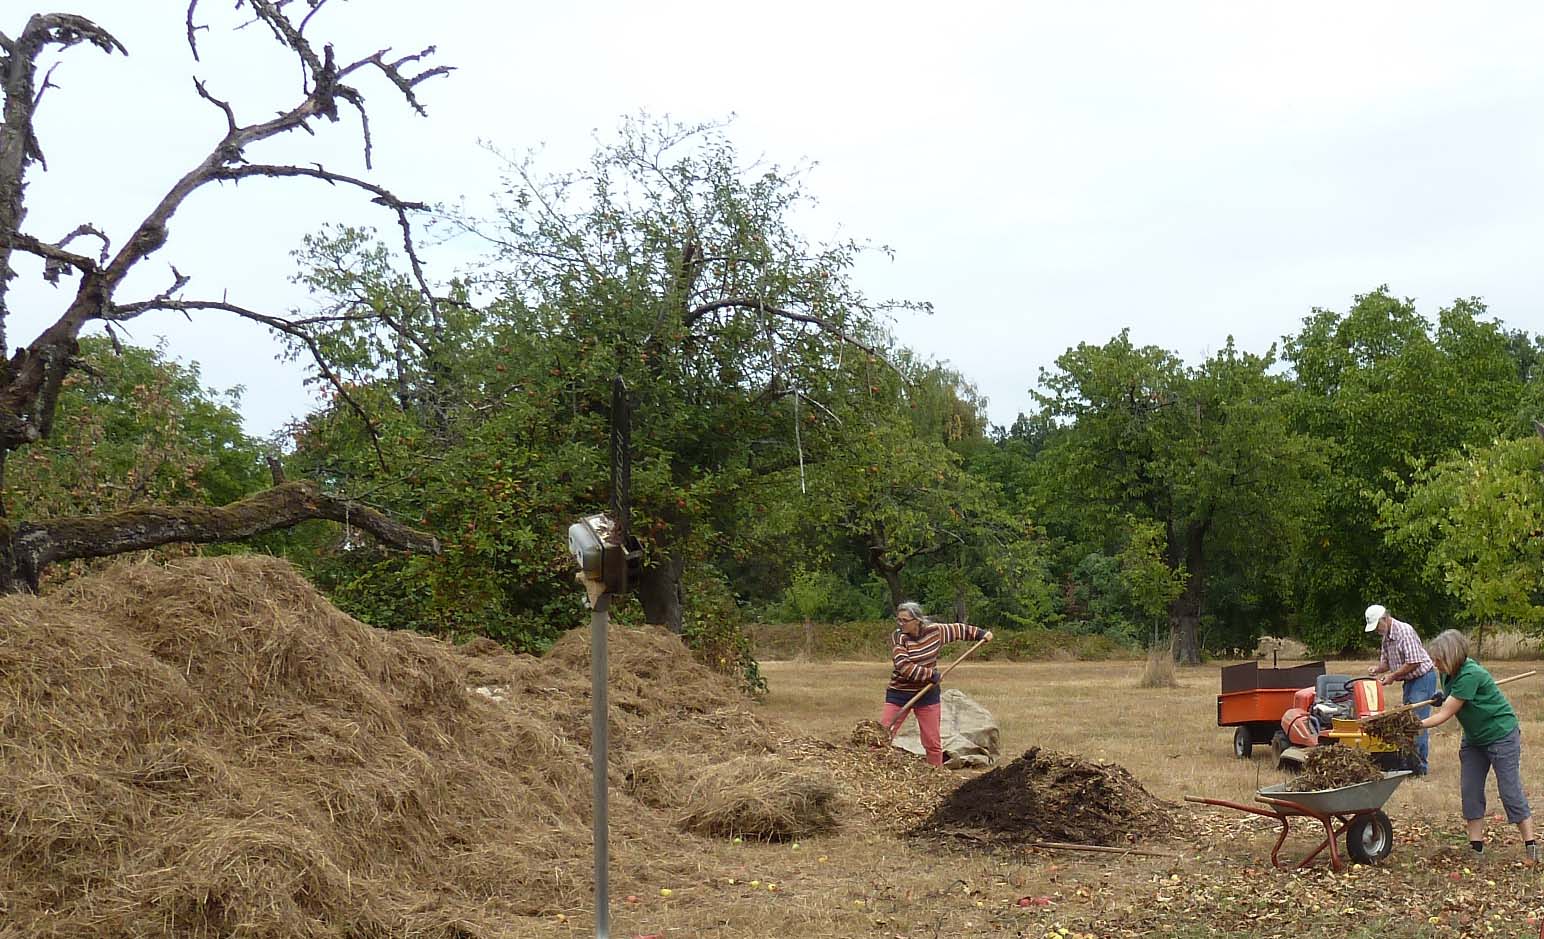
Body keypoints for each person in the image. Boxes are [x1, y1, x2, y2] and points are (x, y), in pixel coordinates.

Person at [1418, 629, 1537, 864]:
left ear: (1451, 657)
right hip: (1474, 739)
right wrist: (1444, 694)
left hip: (1500, 735)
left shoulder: (1470, 673)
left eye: (1438, 660)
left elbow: (1445, 715)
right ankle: (1476, 848)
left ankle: (1532, 847)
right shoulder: (1449, 673)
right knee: (1470, 791)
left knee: (1510, 792)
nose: (1435, 664)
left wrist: (1413, 725)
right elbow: (1451, 697)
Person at [881, 601, 992, 767]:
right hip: (900, 694)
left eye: (905, 620)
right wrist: (930, 674)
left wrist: (981, 633)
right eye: (899, 620)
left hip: (927, 694)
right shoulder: (899, 637)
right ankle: (874, 769)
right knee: (882, 735)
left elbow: (958, 629)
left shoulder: (934, 631)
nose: (901, 624)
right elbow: (904, 667)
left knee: (932, 742)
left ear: (917, 620)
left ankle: (935, 773)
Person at [1365, 603, 1437, 774]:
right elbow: (1387, 663)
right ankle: (1408, 764)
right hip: (1410, 681)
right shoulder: (1386, 637)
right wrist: (1377, 669)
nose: (1376, 630)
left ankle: (1419, 768)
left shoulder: (1404, 631)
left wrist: (1392, 677)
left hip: (1422, 678)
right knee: (1406, 722)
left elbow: (1414, 662)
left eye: (1377, 626)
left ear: (1385, 619)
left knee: (1416, 723)